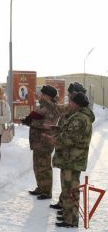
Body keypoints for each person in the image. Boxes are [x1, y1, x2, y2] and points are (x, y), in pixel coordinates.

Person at [43, 92, 94, 228]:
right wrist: (56, 129)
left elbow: (69, 138)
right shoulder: (80, 117)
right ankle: (68, 217)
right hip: (71, 160)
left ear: (77, 104)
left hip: (72, 160)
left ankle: (71, 220)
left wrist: (54, 140)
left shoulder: (79, 118)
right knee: (69, 191)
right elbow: (71, 132)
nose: (69, 104)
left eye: (71, 102)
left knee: (70, 191)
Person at [44, 82, 87, 210]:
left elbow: (72, 134)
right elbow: (65, 126)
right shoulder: (73, 107)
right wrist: (56, 129)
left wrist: (56, 139)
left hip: (71, 152)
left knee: (71, 184)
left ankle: (69, 213)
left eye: (71, 94)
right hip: (66, 149)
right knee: (66, 182)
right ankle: (64, 205)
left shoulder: (77, 111)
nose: (69, 97)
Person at [21, 85, 60, 200]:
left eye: (43, 94)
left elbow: (47, 124)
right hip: (37, 141)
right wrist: (27, 121)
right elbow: (37, 121)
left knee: (45, 167)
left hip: (45, 141)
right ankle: (41, 187)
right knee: (37, 166)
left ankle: (47, 192)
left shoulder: (53, 108)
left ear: (49, 96)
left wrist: (31, 122)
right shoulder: (41, 107)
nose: (41, 95)